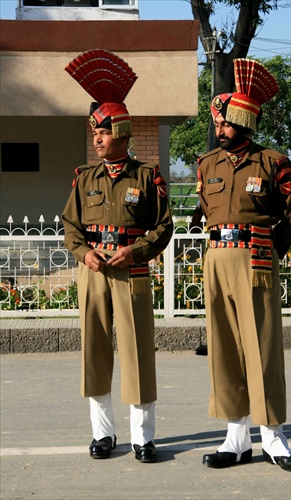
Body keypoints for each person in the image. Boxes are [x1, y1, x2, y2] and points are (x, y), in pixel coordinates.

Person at [62, 49, 173, 463]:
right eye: (94, 132)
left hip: (132, 270)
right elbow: (70, 225)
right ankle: (103, 435)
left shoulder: (147, 177)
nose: (97, 139)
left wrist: (136, 250)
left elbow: (164, 226)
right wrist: (84, 252)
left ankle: (143, 438)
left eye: (103, 132)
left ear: (122, 133)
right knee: (94, 351)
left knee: (138, 351)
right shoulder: (84, 177)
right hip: (93, 272)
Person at [196, 59, 291, 472]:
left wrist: (269, 249)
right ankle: (235, 439)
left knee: (262, 349)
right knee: (224, 349)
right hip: (217, 260)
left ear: (243, 121)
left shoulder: (273, 163)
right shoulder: (208, 164)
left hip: (257, 260)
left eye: (224, 124)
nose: (219, 130)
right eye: (218, 124)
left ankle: (274, 438)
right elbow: (206, 211)